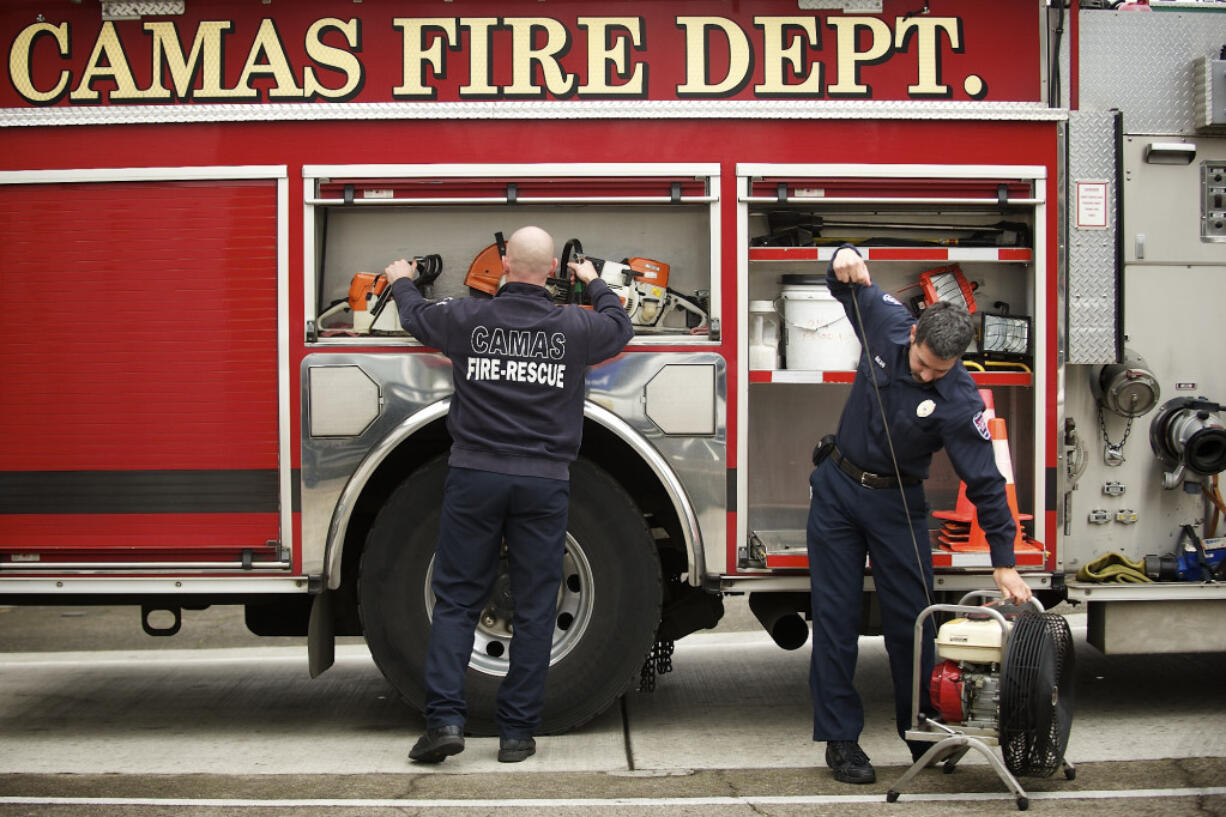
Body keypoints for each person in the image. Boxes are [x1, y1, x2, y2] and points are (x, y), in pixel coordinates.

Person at [383, 226, 633, 765]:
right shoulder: (575, 326)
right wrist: (594, 283)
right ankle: (517, 734)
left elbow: (414, 316)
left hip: (475, 476)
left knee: (456, 600)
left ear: (501, 262)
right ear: (552, 271)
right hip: (544, 483)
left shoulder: (466, 319)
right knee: (537, 605)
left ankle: (446, 721)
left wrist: (403, 281)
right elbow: (620, 327)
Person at [807, 244, 1033, 785]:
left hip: (897, 504)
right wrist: (842, 257)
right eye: (923, 364)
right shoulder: (887, 323)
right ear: (913, 335)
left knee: (913, 628)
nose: (929, 375)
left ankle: (921, 733)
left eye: (942, 369)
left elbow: (985, 480)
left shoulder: (960, 400)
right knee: (835, 622)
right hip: (838, 490)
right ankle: (841, 742)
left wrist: (1003, 558)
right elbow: (845, 284)